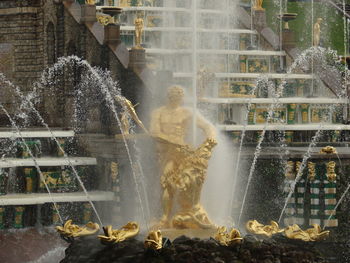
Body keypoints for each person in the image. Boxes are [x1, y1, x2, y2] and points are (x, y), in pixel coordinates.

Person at [150, 85, 217, 229]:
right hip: (166, 153)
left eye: (179, 95)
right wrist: (171, 139)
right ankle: (165, 218)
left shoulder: (187, 113)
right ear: (168, 97)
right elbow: (154, 132)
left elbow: (206, 126)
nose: (176, 97)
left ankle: (190, 212)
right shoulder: (158, 113)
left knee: (190, 181)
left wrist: (211, 138)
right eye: (173, 95)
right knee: (168, 183)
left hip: (182, 152)